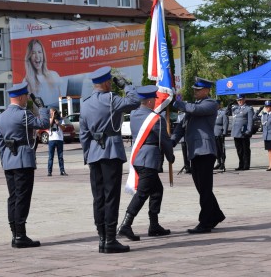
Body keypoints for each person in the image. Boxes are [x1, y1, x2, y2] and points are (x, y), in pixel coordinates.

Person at [79, 66, 140, 254]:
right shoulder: (112, 99)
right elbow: (135, 101)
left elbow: (83, 133)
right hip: (111, 152)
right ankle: (111, 239)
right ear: (107, 82)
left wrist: (88, 154)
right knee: (111, 197)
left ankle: (102, 238)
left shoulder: (85, 103)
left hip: (94, 155)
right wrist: (126, 86)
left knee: (98, 198)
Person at [117, 85, 175, 241]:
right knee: (142, 193)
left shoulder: (134, 114)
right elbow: (165, 141)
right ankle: (125, 225)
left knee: (157, 190)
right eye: (154, 100)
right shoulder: (156, 119)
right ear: (150, 101)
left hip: (137, 157)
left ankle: (154, 225)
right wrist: (171, 157)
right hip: (149, 159)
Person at [0, 81, 50, 248]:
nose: (27, 98)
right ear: (20, 97)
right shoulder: (23, 114)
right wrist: (42, 107)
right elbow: (44, 124)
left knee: (13, 197)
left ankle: (15, 233)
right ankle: (21, 235)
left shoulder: (1, 116)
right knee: (22, 198)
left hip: (8, 160)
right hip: (23, 160)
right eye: (26, 95)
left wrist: (5, 158)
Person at [171, 77, 225, 234]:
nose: (195, 91)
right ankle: (216, 215)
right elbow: (181, 126)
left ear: (207, 90)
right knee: (201, 187)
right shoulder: (193, 106)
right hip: (194, 151)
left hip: (205, 151)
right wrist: (172, 141)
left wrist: (175, 100)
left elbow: (194, 110)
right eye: (194, 89)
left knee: (205, 188)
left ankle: (205, 222)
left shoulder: (210, 104)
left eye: (198, 89)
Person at [23, 39, 63, 108]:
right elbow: (29, 109)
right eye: (33, 53)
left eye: (39, 52)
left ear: (43, 54)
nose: (37, 56)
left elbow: (61, 102)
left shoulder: (54, 75)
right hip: (40, 118)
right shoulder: (26, 82)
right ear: (29, 57)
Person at [231, 94, 254, 171]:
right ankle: (241, 164)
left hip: (244, 132)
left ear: (244, 99)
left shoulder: (248, 109)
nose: (239, 101)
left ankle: (246, 165)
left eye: (240, 100)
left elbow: (250, 121)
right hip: (236, 132)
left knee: (245, 150)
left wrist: (248, 131)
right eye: (238, 100)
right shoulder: (235, 109)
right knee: (239, 150)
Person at [47, 107, 66, 176]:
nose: (50, 113)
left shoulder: (61, 120)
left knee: (60, 156)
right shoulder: (49, 119)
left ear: (55, 112)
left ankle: (62, 171)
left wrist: (59, 124)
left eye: (52, 112)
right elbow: (49, 125)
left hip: (59, 139)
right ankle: (49, 172)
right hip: (51, 139)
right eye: (50, 112)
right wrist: (52, 117)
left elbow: (64, 128)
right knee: (50, 157)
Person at [213, 100, 228, 170]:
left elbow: (225, 123)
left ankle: (222, 163)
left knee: (221, 149)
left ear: (219, 105)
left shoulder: (223, 113)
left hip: (220, 133)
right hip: (213, 134)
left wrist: (224, 132)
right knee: (216, 150)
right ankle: (218, 162)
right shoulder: (212, 113)